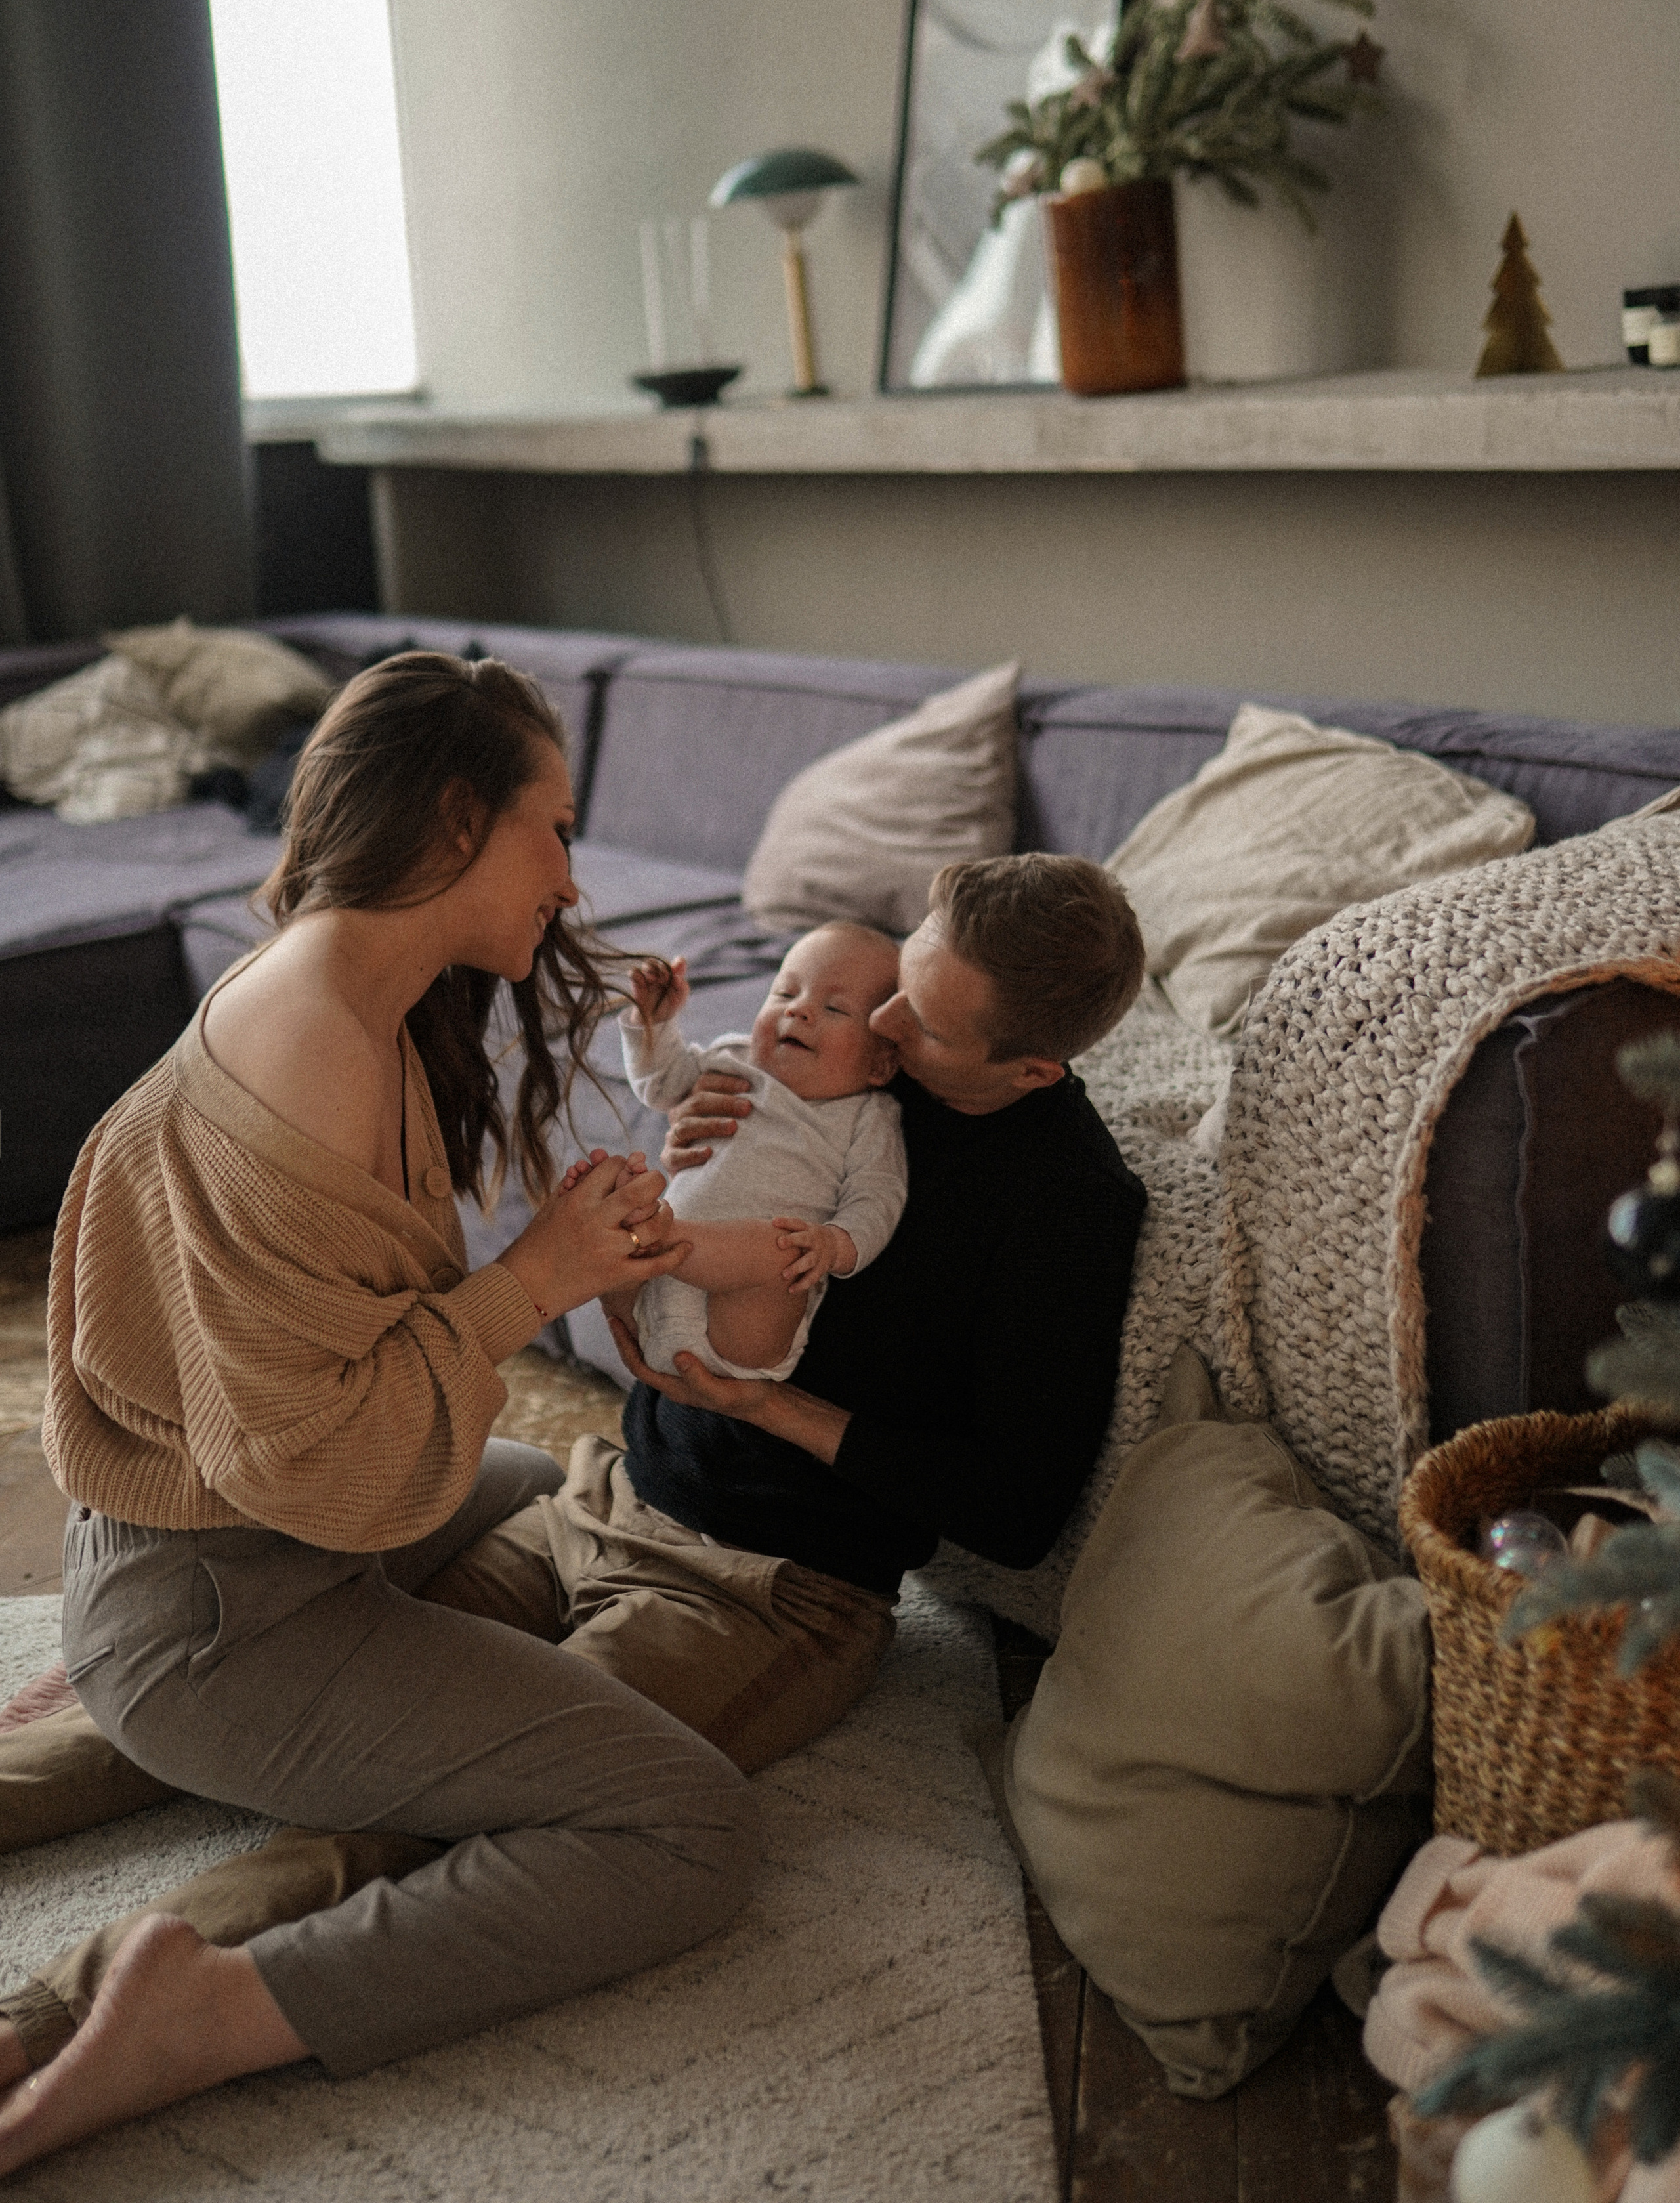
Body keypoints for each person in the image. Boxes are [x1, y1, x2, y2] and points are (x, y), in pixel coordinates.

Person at [0, 848, 1148, 2109]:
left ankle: (51, 2023)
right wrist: (686, 1150)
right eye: (893, 985)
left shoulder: (1070, 1207)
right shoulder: (856, 1061)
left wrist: (777, 1408)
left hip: (766, 1590)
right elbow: (706, 1196)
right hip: (601, 1492)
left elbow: (1017, 1510)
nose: (873, 1025)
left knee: (430, 1814)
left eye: (918, 1021)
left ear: (1032, 1067)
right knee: (319, 1683)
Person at [0, 652, 760, 2176]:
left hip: (205, 1552)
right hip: (227, 1601)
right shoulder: (312, 1050)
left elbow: (346, 1345)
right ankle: (210, 2008)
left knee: (538, 1471)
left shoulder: (346, 981)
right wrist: (536, 1276)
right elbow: (325, 1459)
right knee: (685, 1823)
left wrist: (578, 1222)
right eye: (551, 828)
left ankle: (123, 1725)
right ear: (450, 822)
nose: (568, 871)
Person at [616, 922, 905, 1381]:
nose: (800, 1011)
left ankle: (656, 1233)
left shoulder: (867, 1116)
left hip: (744, 1331)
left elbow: (878, 1198)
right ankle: (627, 1244)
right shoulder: (733, 1058)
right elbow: (662, 1084)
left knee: (782, 1250)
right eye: (785, 994)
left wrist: (836, 1244)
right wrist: (652, 1024)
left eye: (834, 1008)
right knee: (606, 1189)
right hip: (652, 1305)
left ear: (881, 1063)